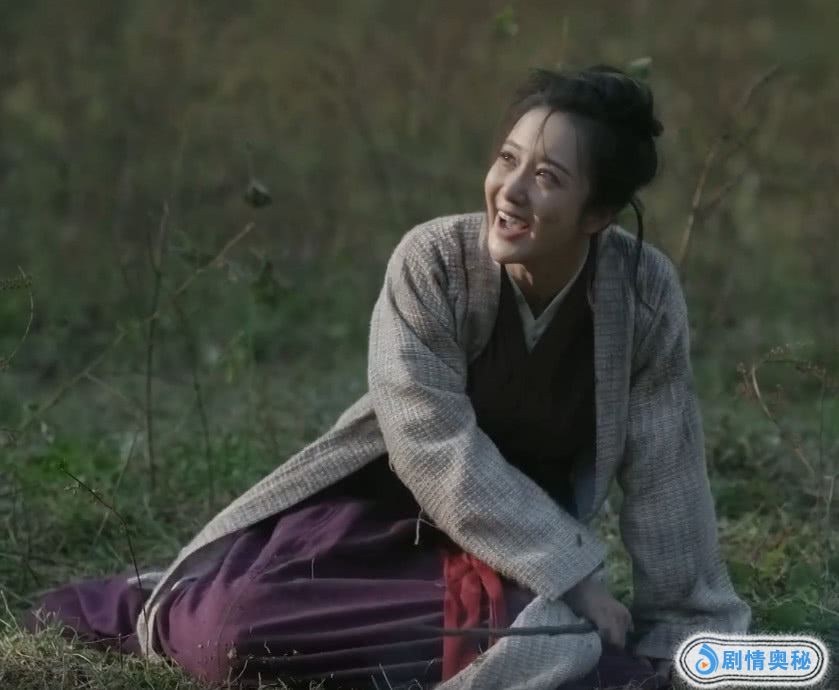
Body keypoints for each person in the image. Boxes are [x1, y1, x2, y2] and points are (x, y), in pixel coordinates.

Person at [26, 65, 751, 689]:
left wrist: (683, 628)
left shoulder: (643, 294)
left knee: (553, 641)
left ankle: (556, 645)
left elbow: (666, 470)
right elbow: (429, 442)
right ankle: (175, 596)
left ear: (597, 214)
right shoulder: (433, 261)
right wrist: (572, 573)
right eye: (507, 158)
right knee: (229, 636)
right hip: (370, 524)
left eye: (547, 178)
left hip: (505, 570)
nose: (510, 191)